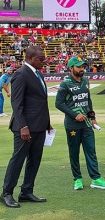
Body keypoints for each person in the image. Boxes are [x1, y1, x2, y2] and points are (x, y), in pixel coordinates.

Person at [1, 46, 51, 208]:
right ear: (30, 58)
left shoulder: (38, 74)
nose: (43, 61)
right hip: (25, 127)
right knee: (18, 159)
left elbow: (41, 102)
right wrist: (23, 126)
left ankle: (26, 191)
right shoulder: (21, 75)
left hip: (39, 126)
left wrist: (47, 124)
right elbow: (17, 103)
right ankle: (7, 193)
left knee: (34, 160)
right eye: (40, 59)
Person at [55, 57, 105, 190]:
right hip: (72, 125)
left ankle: (96, 178)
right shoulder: (65, 84)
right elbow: (58, 103)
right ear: (71, 68)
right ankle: (77, 179)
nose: (82, 69)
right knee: (74, 152)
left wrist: (92, 117)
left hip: (86, 124)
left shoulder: (85, 80)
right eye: (79, 66)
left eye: (83, 66)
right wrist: (75, 115)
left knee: (91, 151)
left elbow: (87, 100)